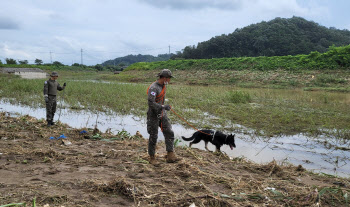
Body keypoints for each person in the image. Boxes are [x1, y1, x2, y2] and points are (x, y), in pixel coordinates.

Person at [147, 69, 180, 165]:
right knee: (153, 136)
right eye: (169, 78)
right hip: (153, 115)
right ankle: (152, 157)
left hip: (162, 113)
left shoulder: (164, 86)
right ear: (165, 78)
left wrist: (165, 107)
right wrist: (163, 107)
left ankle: (170, 154)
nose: (170, 80)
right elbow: (151, 103)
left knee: (169, 132)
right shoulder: (153, 88)